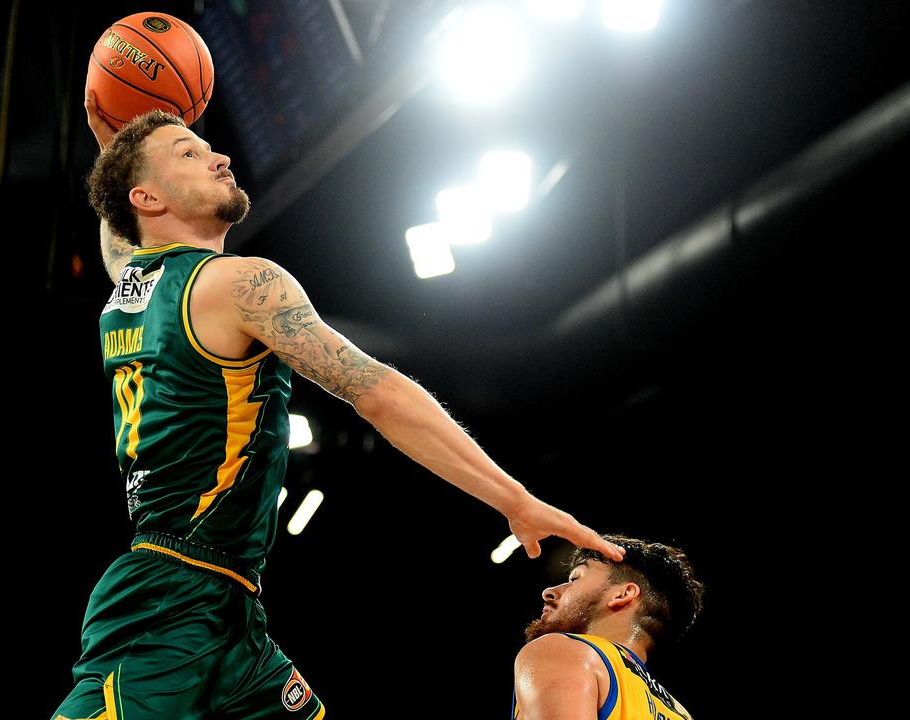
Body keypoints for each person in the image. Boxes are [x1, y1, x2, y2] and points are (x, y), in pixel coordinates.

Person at [52, 93, 626, 720]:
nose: (218, 156)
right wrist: (516, 500)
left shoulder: (129, 284)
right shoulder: (241, 284)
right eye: (189, 152)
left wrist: (115, 138)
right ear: (149, 199)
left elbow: (121, 226)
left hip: (229, 610)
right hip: (168, 602)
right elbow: (380, 393)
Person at [513, 535, 704, 720]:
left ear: (623, 594)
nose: (549, 592)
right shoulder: (681, 713)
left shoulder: (562, 651)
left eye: (576, 578)